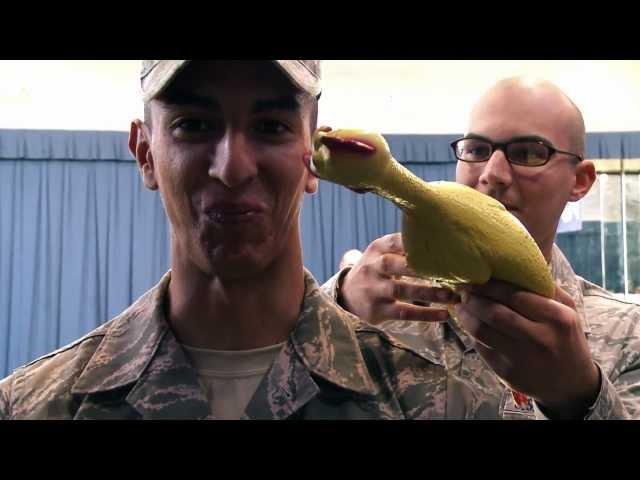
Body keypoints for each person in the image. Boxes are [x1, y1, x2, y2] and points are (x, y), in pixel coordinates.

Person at [1, 60, 477, 420]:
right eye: (194, 124)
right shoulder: (35, 406)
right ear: (145, 153)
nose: (232, 168)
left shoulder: (433, 402)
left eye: (270, 127)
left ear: (315, 156)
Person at [322, 77, 640, 419]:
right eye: (476, 150)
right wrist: (335, 311)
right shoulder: (377, 304)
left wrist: (576, 395)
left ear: (579, 181)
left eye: (529, 153)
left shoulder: (628, 335)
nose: (492, 174)